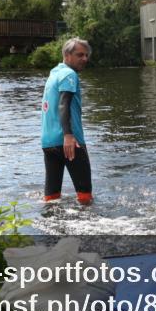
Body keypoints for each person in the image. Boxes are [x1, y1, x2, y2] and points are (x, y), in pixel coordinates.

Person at [41, 37, 93, 205]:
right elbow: (64, 105)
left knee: (51, 198)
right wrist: (68, 135)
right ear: (67, 55)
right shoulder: (69, 75)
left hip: (49, 143)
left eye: (86, 55)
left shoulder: (54, 73)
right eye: (80, 55)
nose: (84, 59)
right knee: (85, 196)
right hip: (70, 142)